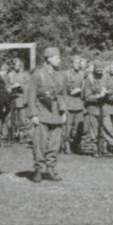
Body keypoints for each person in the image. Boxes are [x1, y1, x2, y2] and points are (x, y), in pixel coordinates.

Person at [27, 46, 65, 182]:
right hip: (42, 113)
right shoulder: (38, 74)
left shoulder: (60, 75)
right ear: (48, 59)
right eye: (57, 57)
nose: (59, 60)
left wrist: (63, 111)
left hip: (56, 114)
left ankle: (51, 169)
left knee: (55, 144)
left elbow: (61, 94)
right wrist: (34, 115)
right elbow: (31, 96)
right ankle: (39, 169)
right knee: (40, 144)